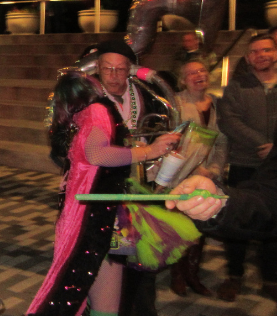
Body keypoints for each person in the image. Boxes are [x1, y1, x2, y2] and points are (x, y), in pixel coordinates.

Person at [27, 72, 180, 316]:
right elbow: (97, 155)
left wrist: (132, 148)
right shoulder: (98, 109)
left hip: (81, 209)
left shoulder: (77, 115)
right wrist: (149, 151)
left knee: (86, 290)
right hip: (97, 214)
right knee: (104, 301)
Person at [214, 33, 277, 301]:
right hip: (244, 164)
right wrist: (264, 143)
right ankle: (234, 275)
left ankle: (272, 278)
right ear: (247, 58)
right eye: (253, 52)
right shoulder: (236, 86)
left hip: (275, 168)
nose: (260, 55)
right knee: (237, 222)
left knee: (274, 225)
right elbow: (229, 121)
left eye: (266, 50)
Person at [168, 58, 228, 297]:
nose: (198, 75)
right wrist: (192, 168)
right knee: (180, 227)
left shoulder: (216, 103)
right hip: (181, 175)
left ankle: (193, 275)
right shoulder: (176, 103)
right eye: (191, 72)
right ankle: (177, 275)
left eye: (201, 70)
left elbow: (222, 141)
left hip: (208, 175)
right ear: (183, 79)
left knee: (200, 227)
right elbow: (170, 139)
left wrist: (213, 169)